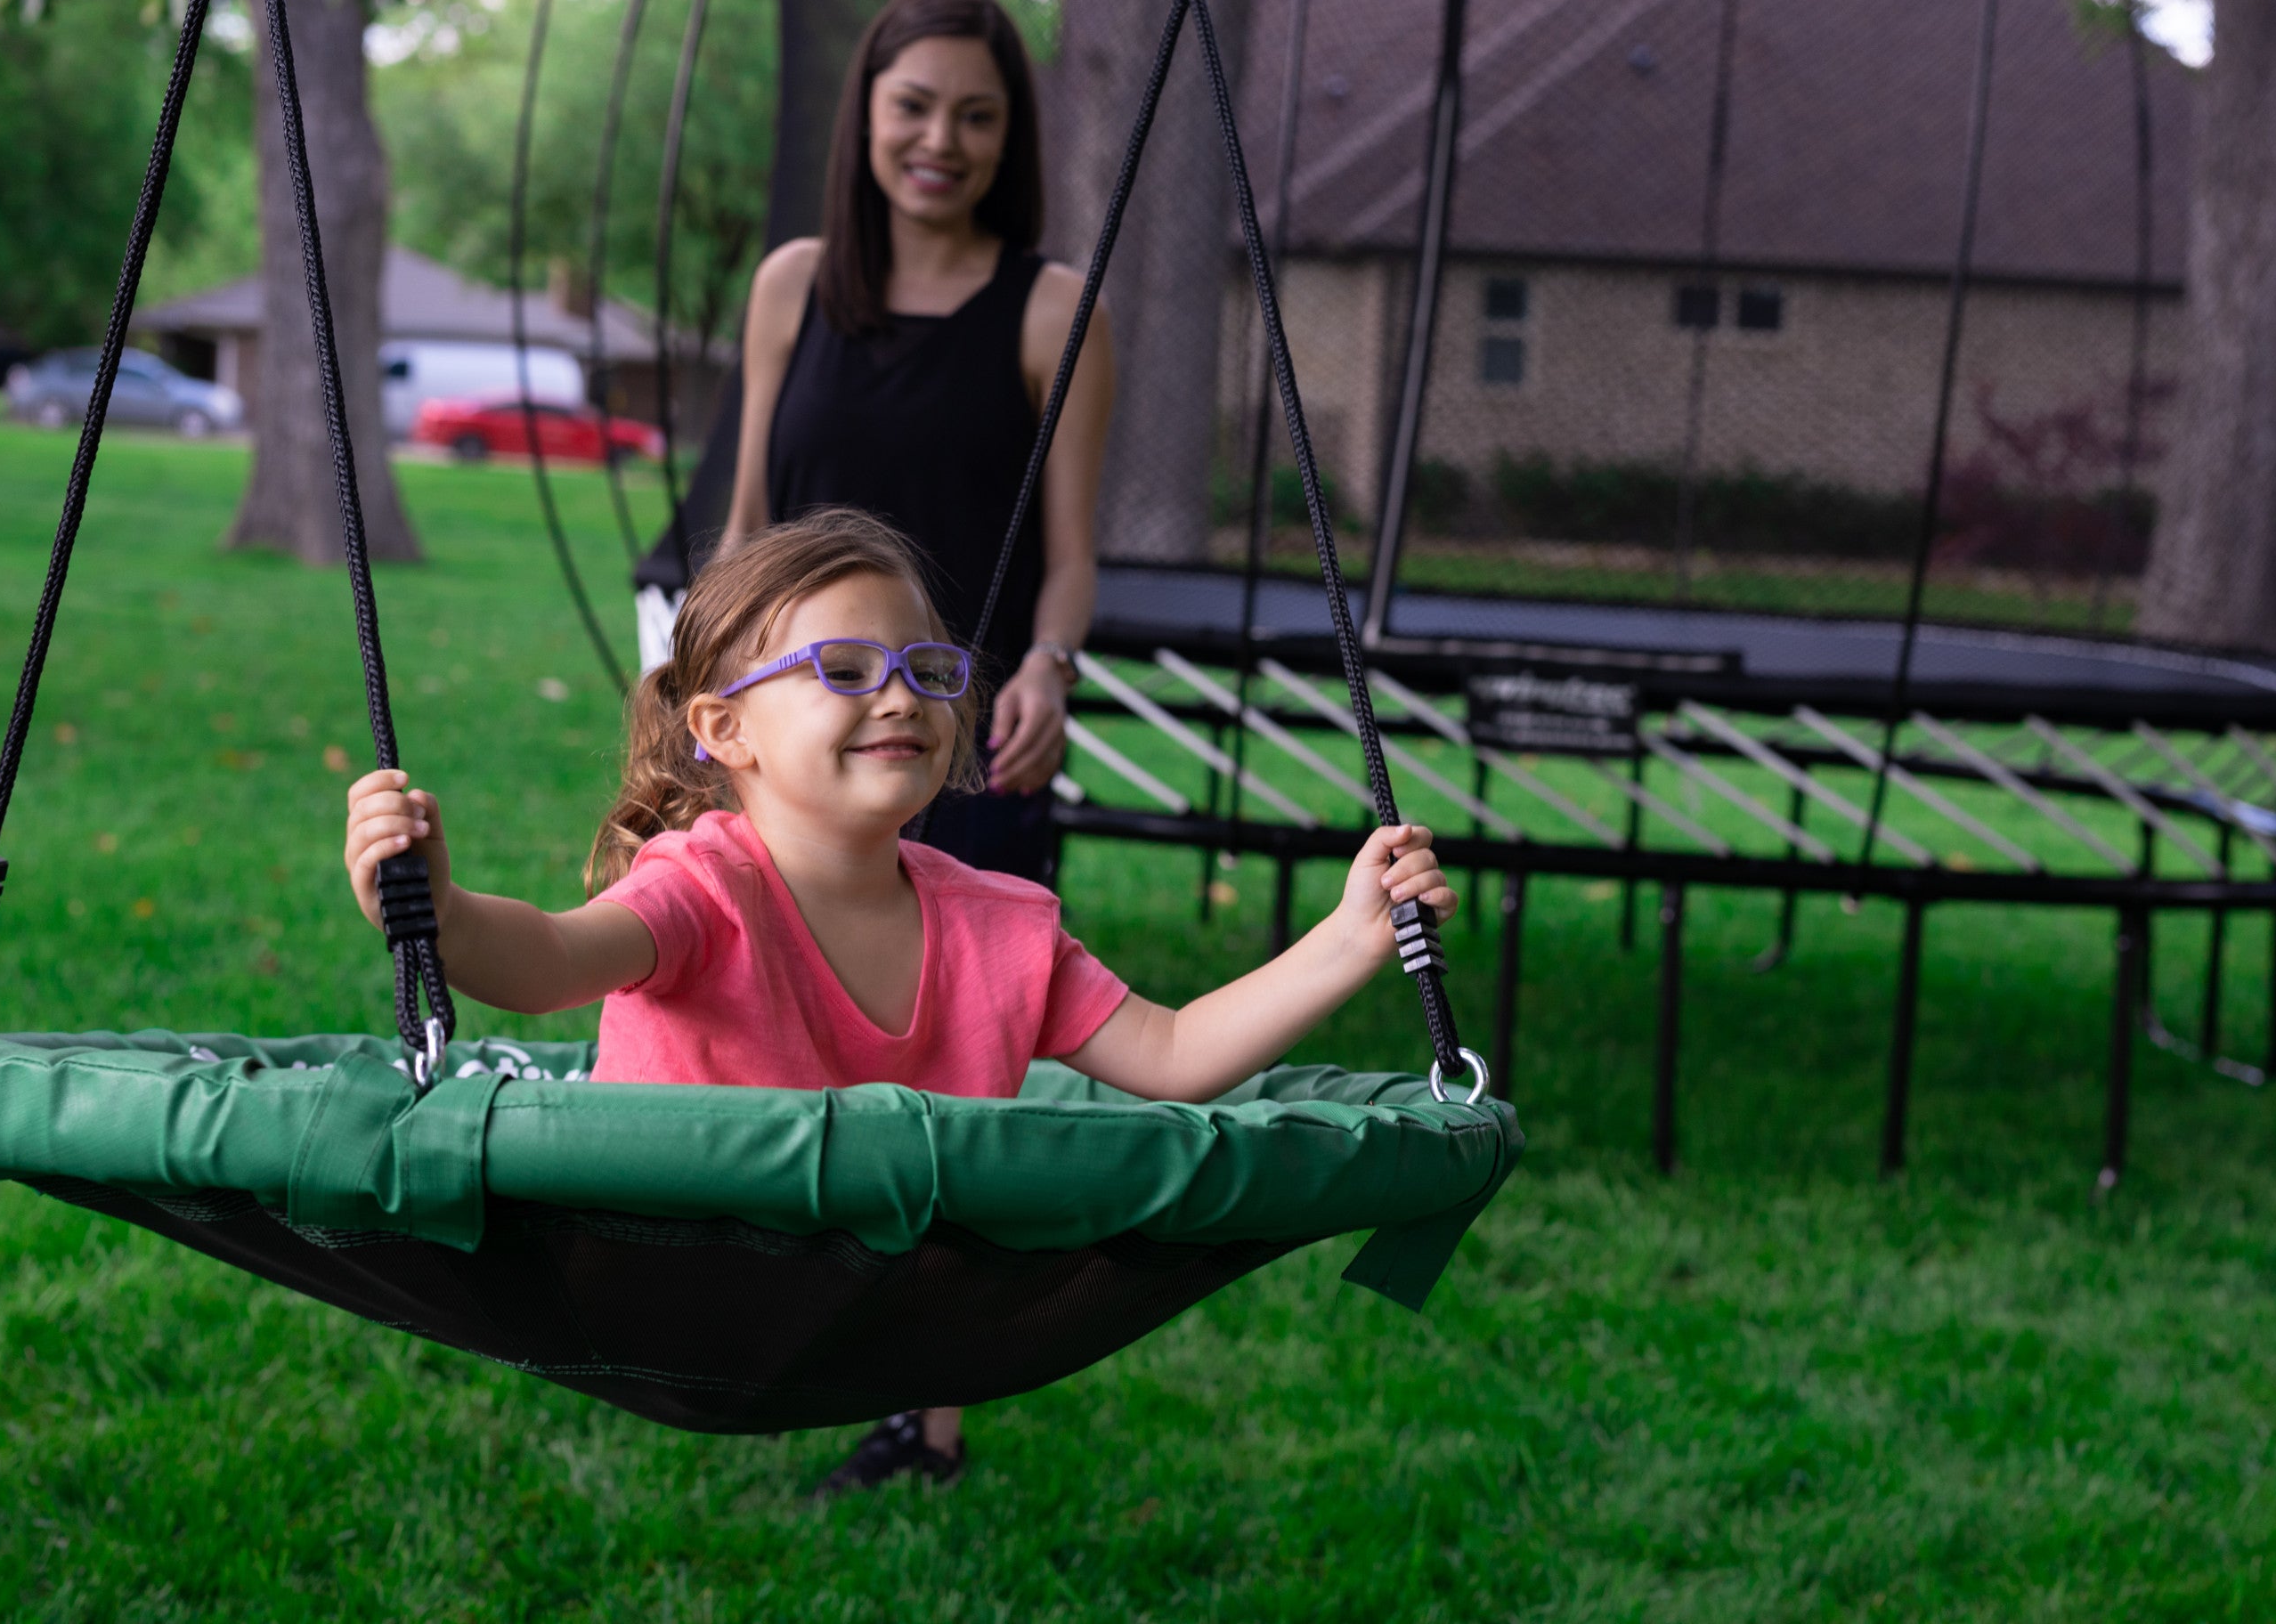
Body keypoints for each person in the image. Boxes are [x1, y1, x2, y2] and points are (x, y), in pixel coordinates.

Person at [343, 511, 1451, 1493]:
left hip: (886, 1308)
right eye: (843, 667)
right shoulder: (705, 887)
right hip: (682, 1279)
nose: (900, 697)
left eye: (926, 668)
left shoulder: (1002, 925)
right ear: (723, 729)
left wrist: (1351, 938)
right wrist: (437, 907)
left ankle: (921, 1435)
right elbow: (547, 962)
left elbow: (1172, 1055)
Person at [637, 0, 1113, 890]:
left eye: (977, 116)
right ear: (867, 115)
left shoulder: (1058, 312)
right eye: (915, 106)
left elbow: (1071, 557)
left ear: (1009, 138)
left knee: (955, 1010)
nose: (941, 140)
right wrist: (694, 691)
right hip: (795, 730)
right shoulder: (793, 286)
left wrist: (1049, 670)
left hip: (955, 735)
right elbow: (747, 530)